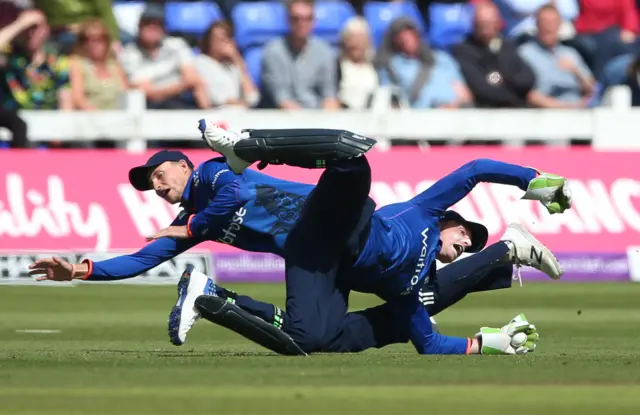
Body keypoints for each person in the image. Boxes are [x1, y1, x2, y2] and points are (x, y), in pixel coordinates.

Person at [29, 123, 571, 356]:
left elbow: (232, 199)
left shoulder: (213, 175)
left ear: (180, 162)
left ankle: (253, 144)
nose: (157, 187)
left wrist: (533, 181)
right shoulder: (196, 209)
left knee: (353, 170)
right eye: (151, 186)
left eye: (158, 176)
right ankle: (217, 295)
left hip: (335, 221)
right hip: (316, 253)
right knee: (315, 338)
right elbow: (139, 259)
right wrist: (78, 270)